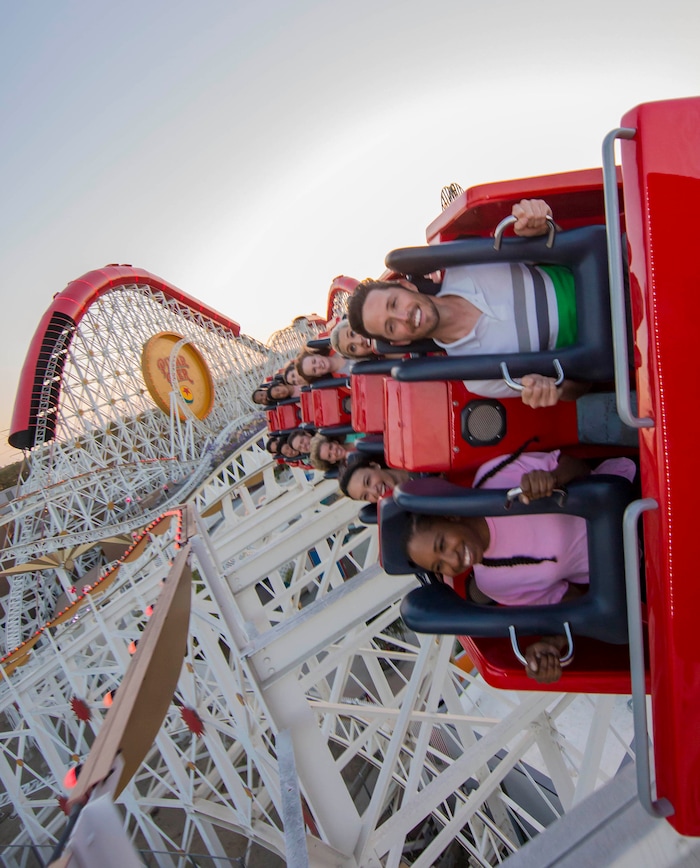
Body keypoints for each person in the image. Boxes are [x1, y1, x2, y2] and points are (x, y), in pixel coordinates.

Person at [402, 449, 636, 683]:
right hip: (636, 564)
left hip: (634, 495)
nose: (452, 561)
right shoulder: (493, 585)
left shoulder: (494, 476)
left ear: (450, 517)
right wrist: (550, 647)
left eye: (442, 544)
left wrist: (551, 480)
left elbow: (577, 465)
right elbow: (569, 599)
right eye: (440, 565)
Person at [347, 199, 588, 408]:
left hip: (603, 270)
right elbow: (581, 388)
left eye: (394, 303)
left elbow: (553, 246)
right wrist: (553, 391)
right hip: (611, 344)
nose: (403, 316)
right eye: (391, 326)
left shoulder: (466, 261)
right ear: (400, 341)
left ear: (407, 287)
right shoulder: (477, 377)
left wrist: (537, 222)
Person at [338, 454, 411, 503]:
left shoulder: (409, 455)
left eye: (368, 481)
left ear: (375, 466)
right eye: (365, 496)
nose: (374, 492)